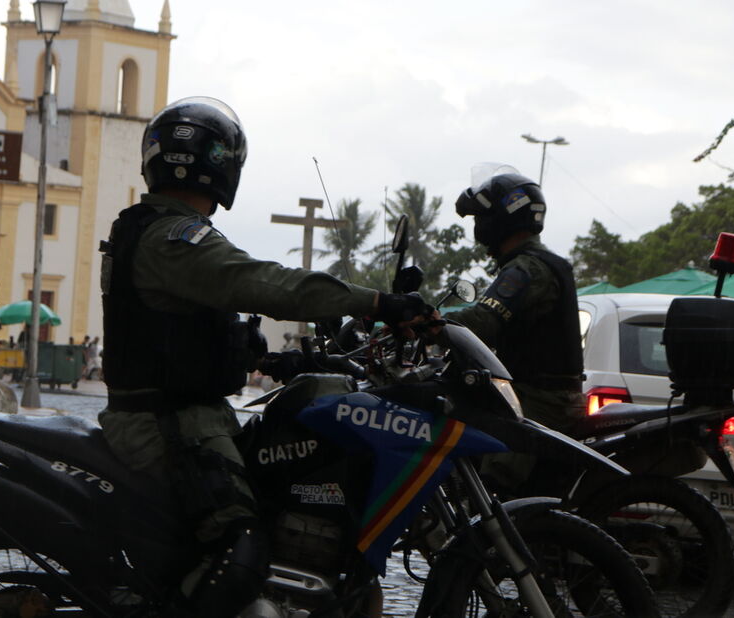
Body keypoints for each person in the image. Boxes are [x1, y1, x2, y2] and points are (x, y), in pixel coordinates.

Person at [98, 96, 427, 617]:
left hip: (186, 416)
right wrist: (377, 302)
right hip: (166, 427)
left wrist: (273, 360)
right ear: (220, 166)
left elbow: (180, 328)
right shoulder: (174, 237)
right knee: (241, 550)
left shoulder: (162, 230)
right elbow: (264, 282)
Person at [443, 165, 586, 486]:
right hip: (543, 394)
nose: (479, 226)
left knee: (491, 488)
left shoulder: (527, 268)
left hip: (539, 400)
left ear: (500, 220)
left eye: (481, 217)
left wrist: (430, 322)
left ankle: (493, 526)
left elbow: (483, 321)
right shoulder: (539, 262)